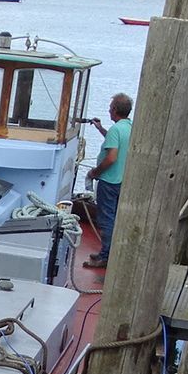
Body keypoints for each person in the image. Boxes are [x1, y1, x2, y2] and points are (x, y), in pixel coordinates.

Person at [84, 93, 133, 269]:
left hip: (110, 181)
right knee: (116, 218)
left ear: (114, 110)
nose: (108, 109)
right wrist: (100, 129)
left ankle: (105, 256)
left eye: (110, 107)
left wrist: (94, 172)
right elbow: (118, 143)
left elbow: (111, 157)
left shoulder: (116, 130)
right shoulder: (129, 127)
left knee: (107, 219)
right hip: (123, 181)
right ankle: (111, 252)